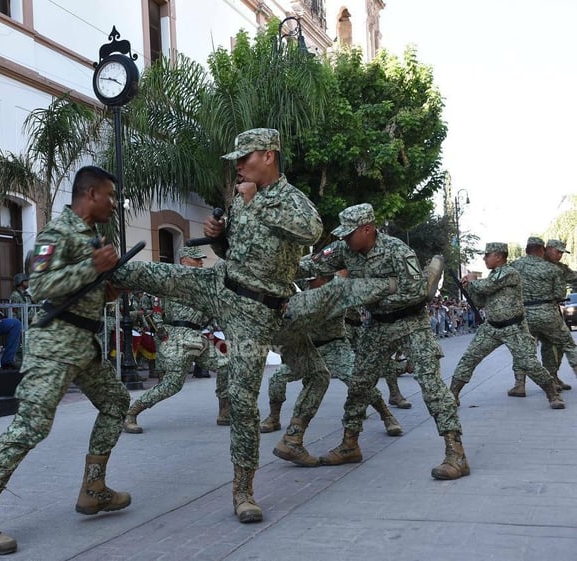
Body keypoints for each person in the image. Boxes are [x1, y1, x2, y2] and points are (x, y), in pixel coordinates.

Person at [110, 129, 397, 522]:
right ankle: (86, 273)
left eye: (245, 158)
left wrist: (256, 204)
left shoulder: (291, 201)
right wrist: (218, 237)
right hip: (219, 284)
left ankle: (243, 491)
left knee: (249, 400)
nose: (239, 166)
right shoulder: (242, 196)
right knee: (150, 273)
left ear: (268, 156)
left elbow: (311, 231)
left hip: (256, 312)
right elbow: (234, 250)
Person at [0, 166, 131, 555]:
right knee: (31, 426)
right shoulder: (57, 232)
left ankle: (93, 488)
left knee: (117, 403)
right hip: (54, 344)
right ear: (89, 195)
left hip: (84, 344)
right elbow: (40, 286)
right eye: (110, 196)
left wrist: (110, 288)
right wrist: (94, 267)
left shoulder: (92, 235)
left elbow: (87, 292)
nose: (114, 204)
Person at [308, 203, 470, 480]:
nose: (345, 239)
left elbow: (417, 293)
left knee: (431, 386)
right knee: (359, 385)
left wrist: (366, 293)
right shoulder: (346, 250)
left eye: (350, 233)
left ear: (368, 229)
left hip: (410, 323)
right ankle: (350, 444)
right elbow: (311, 264)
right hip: (377, 326)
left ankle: (456, 453)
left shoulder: (397, 251)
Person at [263, 269, 403, 469]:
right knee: (277, 378)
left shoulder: (337, 292)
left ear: (324, 278)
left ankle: (386, 415)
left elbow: (358, 307)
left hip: (336, 346)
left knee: (358, 380)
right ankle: (274, 417)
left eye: (314, 279)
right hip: (310, 348)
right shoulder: (304, 292)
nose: (310, 282)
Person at [123, 245, 229, 434]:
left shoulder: (203, 285)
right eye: (197, 259)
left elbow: (211, 312)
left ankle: (224, 411)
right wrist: (162, 335)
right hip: (177, 337)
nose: (201, 262)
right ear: (184, 261)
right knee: (171, 385)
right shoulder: (171, 280)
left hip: (197, 337)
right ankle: (131, 412)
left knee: (226, 366)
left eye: (201, 259)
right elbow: (156, 312)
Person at [450, 242, 565, 409]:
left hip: (514, 328)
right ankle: (453, 394)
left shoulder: (509, 273)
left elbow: (488, 286)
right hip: (491, 328)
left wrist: (473, 280)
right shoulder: (493, 276)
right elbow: (480, 301)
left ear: (498, 256)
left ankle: (553, 395)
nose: (484, 258)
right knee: (469, 358)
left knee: (529, 363)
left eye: (487, 255)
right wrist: (469, 288)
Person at [509, 236, 577, 396]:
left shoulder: (516, 265)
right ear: (545, 249)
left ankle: (543, 379)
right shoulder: (554, 269)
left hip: (524, 314)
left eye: (562, 253)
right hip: (548, 312)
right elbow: (560, 293)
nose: (560, 255)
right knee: (566, 344)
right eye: (558, 252)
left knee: (530, 349)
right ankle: (536, 381)